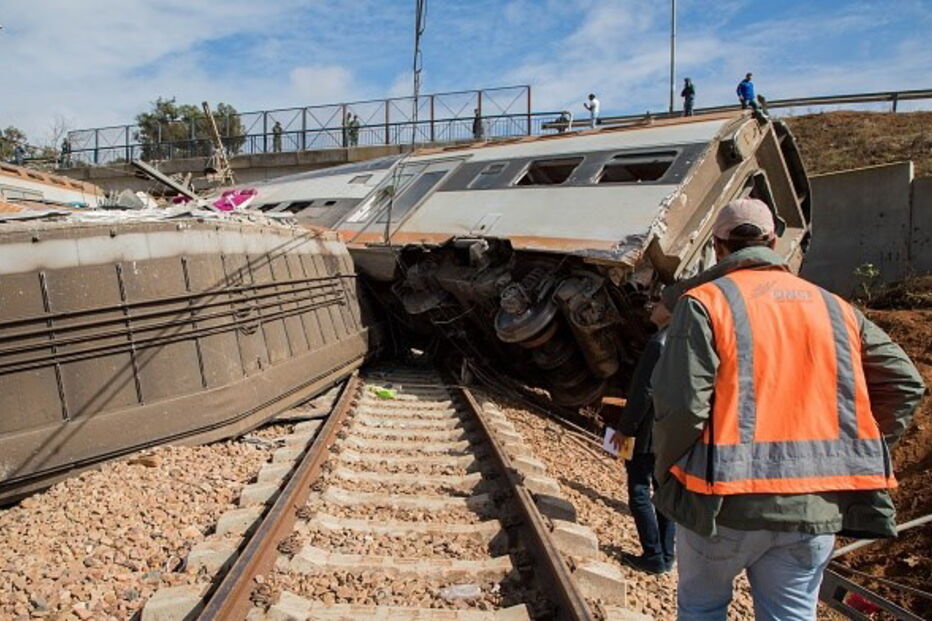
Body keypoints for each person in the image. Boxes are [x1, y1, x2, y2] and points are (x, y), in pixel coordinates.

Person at [651, 198, 926, 620]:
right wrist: (853, 450)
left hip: (723, 504)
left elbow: (683, 405)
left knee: (702, 608)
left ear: (717, 246)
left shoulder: (705, 301)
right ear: (774, 241)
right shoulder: (836, 308)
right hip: (814, 512)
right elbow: (906, 383)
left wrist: (667, 470)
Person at [608, 299, 675, 574]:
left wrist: (625, 429)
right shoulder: (681, 343)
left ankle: (652, 555)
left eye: (659, 304)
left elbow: (642, 393)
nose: (652, 307)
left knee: (638, 489)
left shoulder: (657, 343)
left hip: (645, 431)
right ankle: (667, 556)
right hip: (667, 431)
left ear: (669, 311)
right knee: (662, 492)